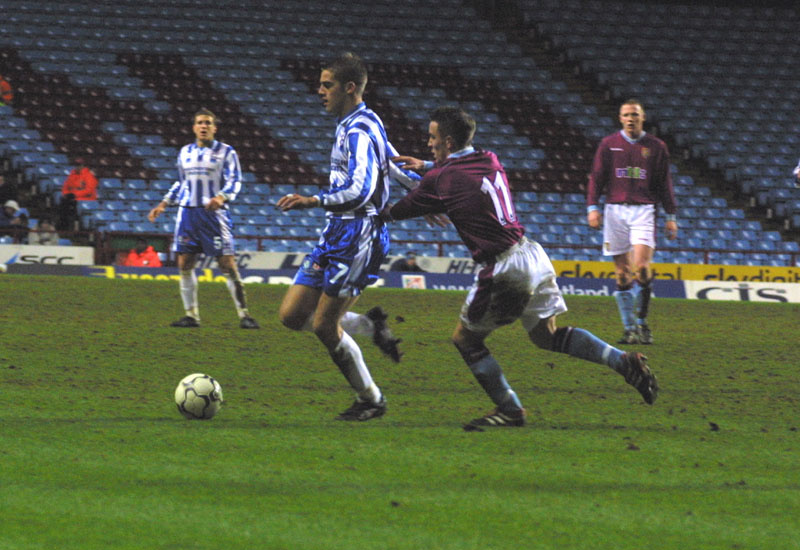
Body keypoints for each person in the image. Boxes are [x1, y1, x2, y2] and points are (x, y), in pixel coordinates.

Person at [388, 106, 659, 430]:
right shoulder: (489, 157)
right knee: (547, 335)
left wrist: (365, 207)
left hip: (504, 268)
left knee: (466, 340)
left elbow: (394, 212)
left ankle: (510, 409)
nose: (428, 144)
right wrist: (428, 165)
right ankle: (623, 362)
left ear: (447, 141)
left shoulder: (442, 178)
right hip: (531, 254)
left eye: (432, 138)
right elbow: (453, 172)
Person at [275, 52, 413, 421]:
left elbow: (362, 191)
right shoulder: (361, 120)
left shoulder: (357, 130)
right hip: (335, 232)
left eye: (327, 84)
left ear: (349, 87)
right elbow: (393, 163)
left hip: (359, 235)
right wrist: (420, 195)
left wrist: (312, 200)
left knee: (323, 325)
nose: (319, 90)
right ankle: (371, 326)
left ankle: (371, 398)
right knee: (291, 315)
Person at [148, 108, 259, 329]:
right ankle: (191, 316)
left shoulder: (227, 152)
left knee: (227, 264)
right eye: (200, 122)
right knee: (184, 263)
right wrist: (164, 203)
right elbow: (181, 182)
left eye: (208, 122)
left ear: (214, 128)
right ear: (194, 127)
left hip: (213, 215)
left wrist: (222, 197)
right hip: (188, 213)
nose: (203, 126)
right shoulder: (184, 152)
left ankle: (244, 315)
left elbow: (235, 180)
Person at [586, 99, 678, 345]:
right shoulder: (608, 144)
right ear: (620, 118)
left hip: (644, 210)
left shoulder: (656, 146)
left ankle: (642, 322)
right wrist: (592, 207)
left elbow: (664, 182)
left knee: (643, 270)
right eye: (626, 115)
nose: (630, 119)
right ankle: (629, 329)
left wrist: (671, 216)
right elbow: (596, 177)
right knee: (622, 275)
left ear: (642, 117)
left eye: (634, 115)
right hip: (615, 210)